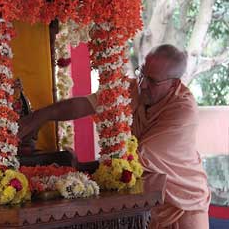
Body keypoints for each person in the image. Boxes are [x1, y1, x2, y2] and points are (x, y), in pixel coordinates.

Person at [18, 44, 211, 229]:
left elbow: (139, 157)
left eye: (152, 81)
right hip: (149, 202)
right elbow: (83, 104)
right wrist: (40, 116)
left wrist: (79, 169)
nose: (143, 85)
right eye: (141, 73)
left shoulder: (182, 110)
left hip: (183, 203)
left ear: (174, 84)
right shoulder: (133, 89)